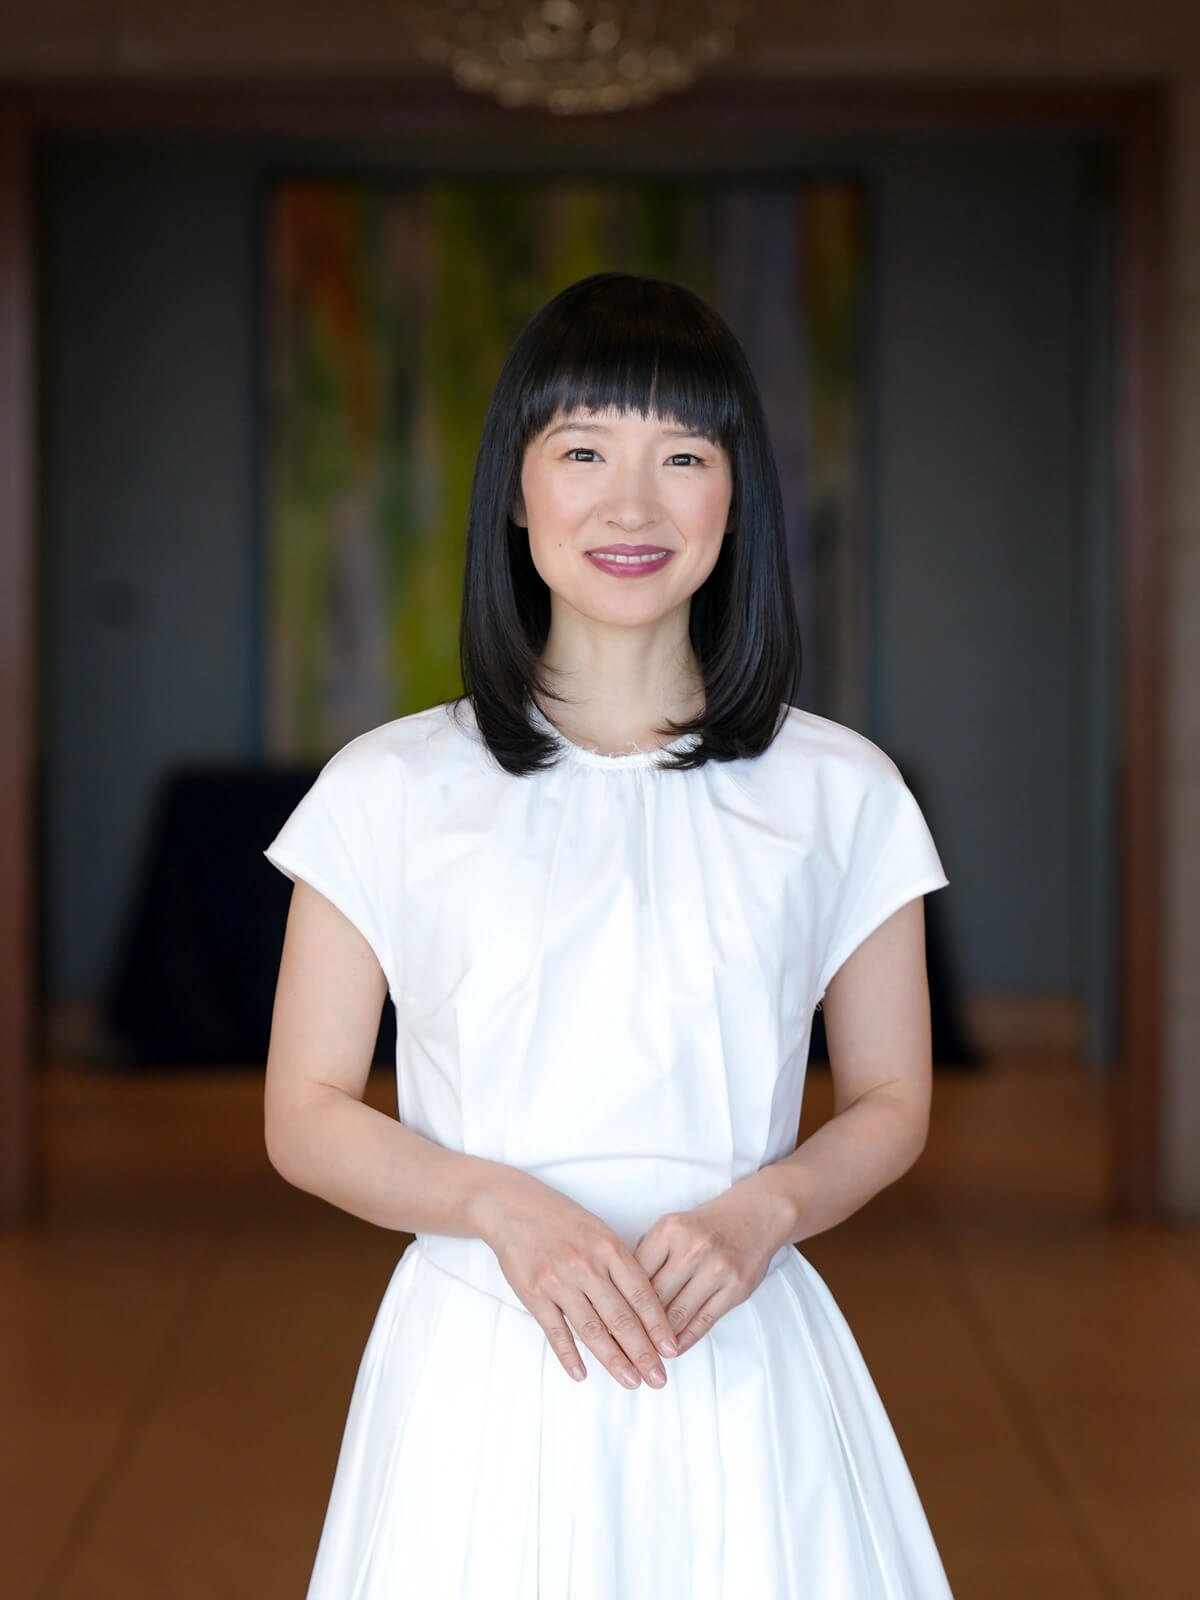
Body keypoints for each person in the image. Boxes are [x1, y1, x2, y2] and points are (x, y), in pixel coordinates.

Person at [262, 270, 955, 1597]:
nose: (630, 506)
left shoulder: (840, 790)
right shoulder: (390, 788)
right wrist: (496, 1208)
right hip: (482, 1359)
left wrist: (768, 1213)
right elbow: (304, 1112)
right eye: (583, 450)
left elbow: (889, 1098)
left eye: (681, 456)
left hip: (744, 1350)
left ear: (732, 496)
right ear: (516, 492)